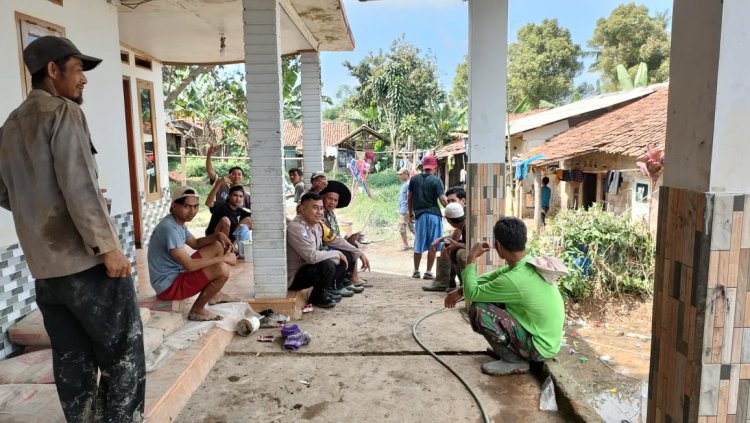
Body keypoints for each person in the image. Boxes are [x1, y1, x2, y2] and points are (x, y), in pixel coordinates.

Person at [0, 36, 145, 421]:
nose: (84, 79)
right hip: (85, 263)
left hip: (45, 270)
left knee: (72, 362)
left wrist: (41, 207)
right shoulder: (63, 112)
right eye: (78, 69)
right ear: (52, 70)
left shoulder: (11, 123)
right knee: (122, 355)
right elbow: (80, 187)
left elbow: (4, 192)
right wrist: (108, 248)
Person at [445, 217, 564, 376]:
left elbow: (472, 293)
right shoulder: (526, 263)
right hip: (548, 342)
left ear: (498, 245)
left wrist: (471, 258)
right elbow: (489, 278)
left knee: (479, 309)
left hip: (539, 348)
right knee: (490, 298)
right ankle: (509, 351)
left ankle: (513, 360)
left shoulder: (514, 280)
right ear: (524, 240)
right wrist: (459, 291)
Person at [148, 186, 239, 322]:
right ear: (174, 206)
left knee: (216, 245)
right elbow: (189, 265)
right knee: (221, 268)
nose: (192, 211)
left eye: (196, 206)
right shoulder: (169, 229)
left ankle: (214, 295)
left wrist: (217, 235)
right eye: (187, 206)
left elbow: (195, 243)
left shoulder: (177, 223)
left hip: (177, 274)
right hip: (169, 288)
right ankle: (197, 310)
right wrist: (224, 258)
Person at [287, 193, 363, 308]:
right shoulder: (296, 228)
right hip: (295, 277)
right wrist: (336, 253)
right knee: (327, 264)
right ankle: (317, 297)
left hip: (308, 268)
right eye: (314, 208)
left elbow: (335, 240)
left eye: (321, 208)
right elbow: (311, 257)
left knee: (344, 255)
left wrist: (358, 252)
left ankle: (329, 289)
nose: (319, 212)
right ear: (302, 209)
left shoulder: (317, 225)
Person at [320, 181, 371, 292]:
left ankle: (348, 279)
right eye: (330, 199)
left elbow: (334, 236)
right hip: (322, 248)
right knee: (347, 250)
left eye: (335, 200)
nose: (332, 203)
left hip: (331, 243)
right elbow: (329, 238)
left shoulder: (331, 213)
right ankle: (337, 284)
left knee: (351, 244)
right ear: (322, 197)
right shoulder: (321, 214)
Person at [408, 155, 448, 280]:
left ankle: (416, 271)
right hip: (434, 215)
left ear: (423, 167)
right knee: (433, 243)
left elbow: (409, 198)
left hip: (420, 215)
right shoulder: (436, 180)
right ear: (434, 167)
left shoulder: (414, 179)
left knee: (418, 242)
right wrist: (451, 210)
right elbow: (442, 199)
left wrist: (410, 213)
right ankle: (428, 272)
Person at [422, 203, 467, 292]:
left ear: (449, 220)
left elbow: (473, 245)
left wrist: (456, 245)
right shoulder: (462, 225)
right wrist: (439, 240)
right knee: (450, 248)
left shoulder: (466, 226)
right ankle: (446, 282)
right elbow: (452, 237)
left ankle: (465, 286)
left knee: (459, 253)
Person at [205, 144, 251, 209]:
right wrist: (209, 154)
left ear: (242, 177)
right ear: (229, 176)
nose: (236, 176)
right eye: (234, 174)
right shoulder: (222, 185)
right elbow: (209, 171)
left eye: (239, 174)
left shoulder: (245, 194)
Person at [397, 168, 415, 251]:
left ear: (406, 174)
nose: (400, 176)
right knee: (411, 227)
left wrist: (408, 210)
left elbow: (410, 197)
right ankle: (420, 242)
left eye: (401, 174)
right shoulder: (406, 184)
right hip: (405, 209)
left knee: (402, 227)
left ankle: (406, 245)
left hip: (406, 210)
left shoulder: (408, 184)